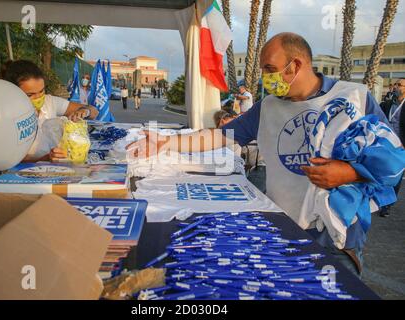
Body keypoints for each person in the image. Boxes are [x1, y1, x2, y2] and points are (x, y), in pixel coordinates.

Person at [127, 32, 398, 276]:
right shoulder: (268, 107)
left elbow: (394, 161)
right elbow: (222, 135)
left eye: (270, 69)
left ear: (296, 65)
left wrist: (349, 173)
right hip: (283, 227)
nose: (265, 78)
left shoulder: (354, 98)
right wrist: (166, 142)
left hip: (337, 238)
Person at [0, 60, 98, 162]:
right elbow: (11, 161)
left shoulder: (49, 102)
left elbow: (94, 111)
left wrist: (84, 111)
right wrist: (46, 158)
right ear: (14, 92)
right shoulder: (6, 117)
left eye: (41, 91)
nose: (39, 98)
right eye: (30, 95)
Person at [378, 78, 405, 217]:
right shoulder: (387, 104)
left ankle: (387, 205)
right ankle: (380, 201)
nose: (396, 87)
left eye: (399, 85)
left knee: (396, 177)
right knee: (382, 174)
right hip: (384, 145)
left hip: (400, 148)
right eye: (395, 84)